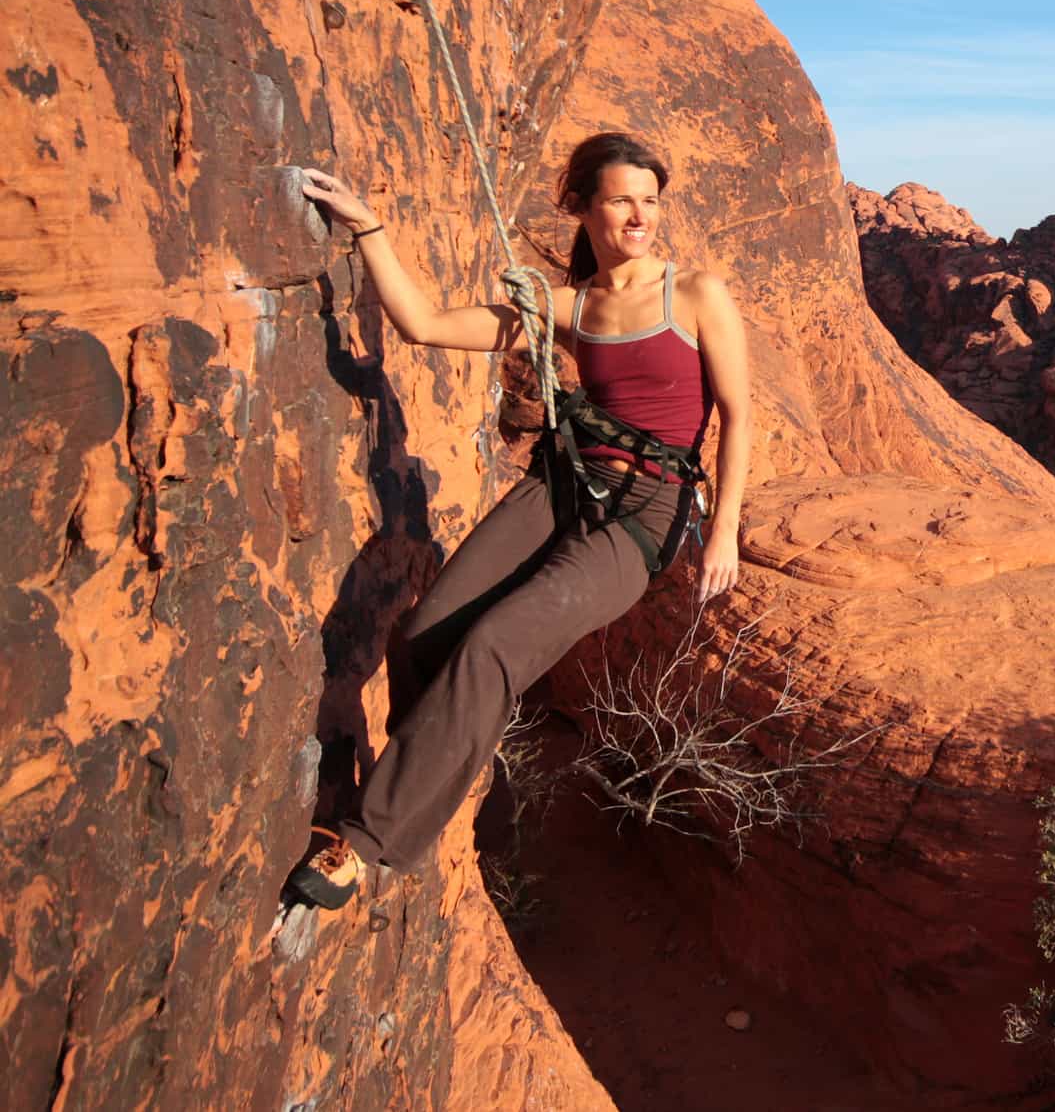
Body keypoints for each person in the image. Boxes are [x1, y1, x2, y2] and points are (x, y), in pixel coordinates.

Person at [285, 132, 751, 909]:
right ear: (583, 207)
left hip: (641, 515)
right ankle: (436, 758)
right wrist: (369, 229)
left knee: (496, 642)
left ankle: (364, 842)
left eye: (650, 200)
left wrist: (726, 528)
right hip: (561, 482)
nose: (640, 215)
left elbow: (737, 413)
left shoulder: (697, 294)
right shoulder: (565, 306)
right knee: (423, 633)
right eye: (621, 199)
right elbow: (424, 325)